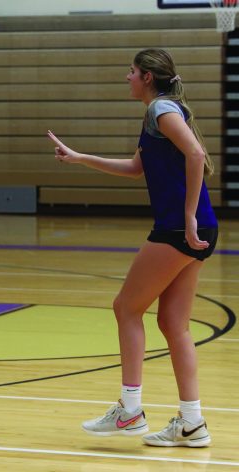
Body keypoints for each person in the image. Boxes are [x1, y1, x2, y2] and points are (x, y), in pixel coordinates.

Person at [47, 48, 216, 448]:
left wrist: (188, 216)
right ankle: (191, 422)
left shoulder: (161, 108)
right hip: (197, 224)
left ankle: (131, 409)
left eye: (132, 71)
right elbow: (135, 168)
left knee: (126, 307)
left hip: (179, 226)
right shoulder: (158, 112)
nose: (127, 77)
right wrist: (80, 158)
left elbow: (196, 154)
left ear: (147, 77)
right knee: (174, 324)